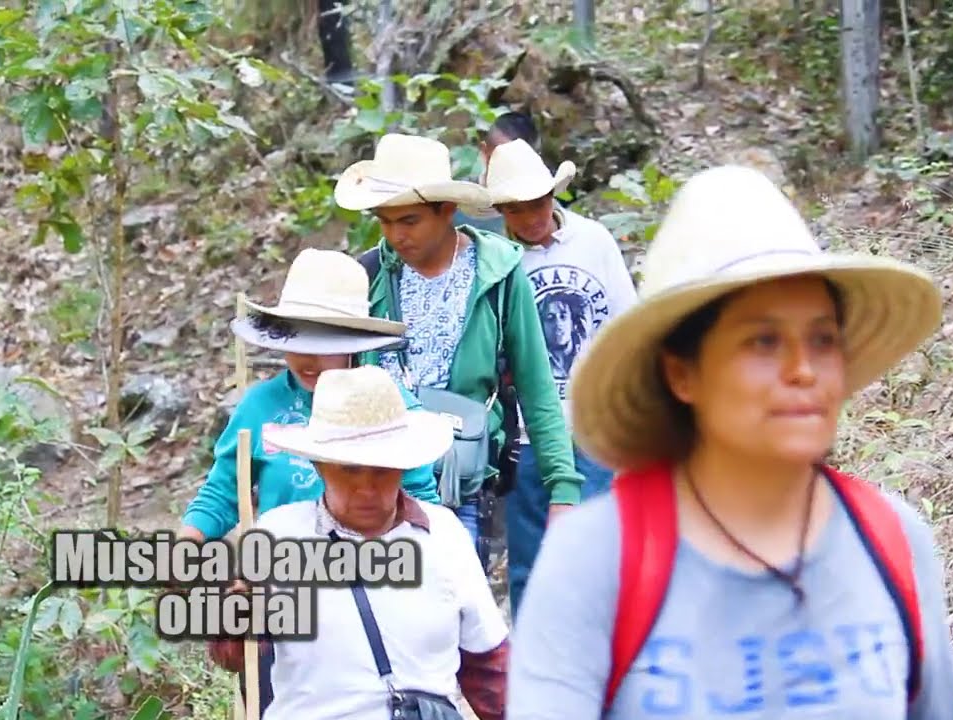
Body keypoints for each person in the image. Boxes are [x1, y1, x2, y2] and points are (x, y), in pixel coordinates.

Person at [507, 165, 953, 718]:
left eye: (823, 339)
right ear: (682, 374)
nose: (803, 369)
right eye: (763, 341)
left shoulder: (891, 539)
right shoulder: (593, 560)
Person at [178, 249, 440, 712]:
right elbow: (222, 492)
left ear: (354, 340)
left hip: (370, 595)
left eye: (324, 341)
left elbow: (422, 505)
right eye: (295, 338)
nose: (307, 356)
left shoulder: (389, 407)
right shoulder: (260, 407)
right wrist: (187, 544)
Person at [333, 132, 584, 565]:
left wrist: (562, 489)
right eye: (385, 221)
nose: (395, 235)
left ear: (447, 209)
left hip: (459, 482)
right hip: (374, 482)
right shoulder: (370, 274)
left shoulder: (497, 274)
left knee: (455, 598)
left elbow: (536, 386)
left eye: (409, 221)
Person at [207, 365, 508, 720]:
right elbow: (233, 655)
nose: (366, 488)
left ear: (403, 466)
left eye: (381, 469)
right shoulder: (277, 536)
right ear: (320, 466)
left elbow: (488, 668)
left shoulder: (443, 536)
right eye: (349, 469)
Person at [478, 138, 638, 617]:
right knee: (530, 561)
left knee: (595, 556)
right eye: (516, 209)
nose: (531, 218)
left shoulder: (593, 242)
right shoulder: (495, 259)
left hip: (592, 427)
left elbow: (626, 326)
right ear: (501, 211)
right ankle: (532, 654)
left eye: (538, 203)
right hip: (526, 435)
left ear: (553, 195)